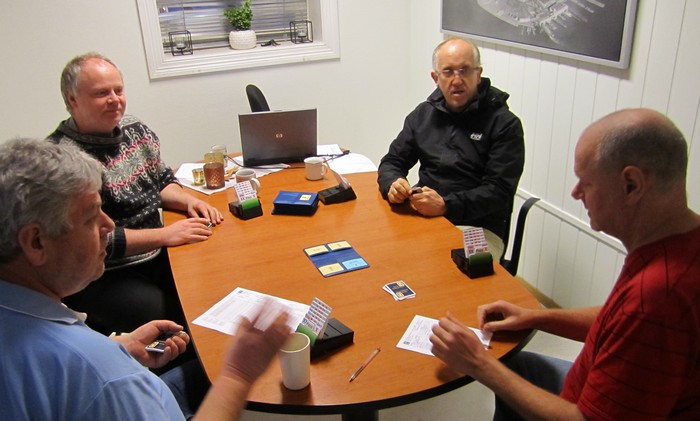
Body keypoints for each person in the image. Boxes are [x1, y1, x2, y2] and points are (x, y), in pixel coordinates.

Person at [430, 108, 700, 420]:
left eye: (586, 182)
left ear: (631, 184)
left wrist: (478, 363)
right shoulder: (682, 241)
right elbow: (617, 318)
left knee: (498, 368)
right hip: (593, 384)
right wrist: (535, 317)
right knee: (516, 365)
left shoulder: (656, 295)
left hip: (581, 408)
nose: (575, 193)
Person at [0, 138, 292, 420]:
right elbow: (97, 378)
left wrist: (121, 346)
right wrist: (237, 375)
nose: (108, 224)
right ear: (36, 243)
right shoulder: (106, 377)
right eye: (90, 217)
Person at [47, 52, 224, 335]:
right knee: (175, 319)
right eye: (101, 93)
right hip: (106, 272)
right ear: (73, 100)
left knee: (213, 286)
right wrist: (165, 235)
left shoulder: (134, 129)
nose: (114, 100)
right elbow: (91, 240)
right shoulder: (60, 162)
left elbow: (160, 179)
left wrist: (189, 200)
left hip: (156, 251)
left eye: (118, 90)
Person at [377, 37, 524, 260]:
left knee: (448, 272)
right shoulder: (423, 114)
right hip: (424, 214)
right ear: (436, 78)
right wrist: (393, 184)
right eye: (448, 71)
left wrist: (446, 205)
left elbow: (498, 191)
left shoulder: (504, 124)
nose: (457, 80)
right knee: (385, 255)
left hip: (478, 227)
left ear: (478, 74)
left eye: (465, 70)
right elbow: (392, 161)